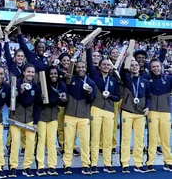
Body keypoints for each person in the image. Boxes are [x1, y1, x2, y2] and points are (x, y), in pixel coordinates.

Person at [86, 44, 120, 173]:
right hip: (96, 108)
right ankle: (93, 163)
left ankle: (107, 163)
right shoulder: (94, 76)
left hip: (110, 111)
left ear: (111, 67)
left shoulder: (113, 81)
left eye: (108, 65)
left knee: (107, 139)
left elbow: (117, 97)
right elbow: (89, 63)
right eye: (103, 64)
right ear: (99, 66)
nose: (106, 66)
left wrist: (110, 95)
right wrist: (89, 49)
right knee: (94, 138)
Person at [63, 61, 96, 175]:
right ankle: (67, 164)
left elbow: (92, 100)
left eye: (83, 67)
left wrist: (90, 93)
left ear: (86, 68)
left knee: (85, 142)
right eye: (78, 67)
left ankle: (86, 165)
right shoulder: (70, 79)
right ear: (75, 68)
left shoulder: (91, 82)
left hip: (84, 116)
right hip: (70, 115)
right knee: (68, 142)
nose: (81, 69)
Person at [8, 64, 41, 178]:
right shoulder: (16, 83)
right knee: (16, 142)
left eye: (32, 72)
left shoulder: (36, 87)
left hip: (30, 119)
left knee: (31, 143)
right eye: (28, 72)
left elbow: (37, 105)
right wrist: (20, 91)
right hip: (16, 118)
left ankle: (27, 167)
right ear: (24, 72)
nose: (30, 74)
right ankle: (13, 166)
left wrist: (36, 122)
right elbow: (10, 102)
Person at [120, 59, 151, 173]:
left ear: (139, 67)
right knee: (126, 138)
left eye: (136, 65)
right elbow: (122, 71)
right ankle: (125, 163)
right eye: (132, 65)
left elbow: (148, 96)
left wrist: (148, 107)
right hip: (127, 111)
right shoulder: (126, 78)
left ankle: (138, 164)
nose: (134, 67)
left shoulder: (144, 81)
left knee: (139, 139)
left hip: (140, 113)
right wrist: (126, 59)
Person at [36, 66, 67, 176]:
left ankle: (52, 166)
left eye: (55, 73)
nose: (54, 75)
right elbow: (37, 102)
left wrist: (64, 100)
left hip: (53, 115)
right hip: (42, 116)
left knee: (52, 142)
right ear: (47, 75)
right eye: (51, 73)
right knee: (41, 141)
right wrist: (41, 99)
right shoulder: (42, 85)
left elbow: (64, 102)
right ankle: (40, 166)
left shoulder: (62, 85)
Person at [145, 58, 172, 172]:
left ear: (161, 67)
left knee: (166, 139)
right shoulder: (147, 79)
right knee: (153, 139)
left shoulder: (170, 79)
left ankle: (168, 162)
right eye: (153, 67)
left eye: (157, 66)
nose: (156, 68)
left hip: (165, 111)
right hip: (152, 112)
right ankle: (150, 162)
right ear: (150, 69)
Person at [4, 34, 27, 155]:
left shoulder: (25, 68)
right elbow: (7, 53)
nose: (20, 58)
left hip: (23, 97)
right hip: (13, 97)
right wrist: (6, 40)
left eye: (22, 56)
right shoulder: (12, 66)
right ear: (14, 57)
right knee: (12, 122)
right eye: (18, 56)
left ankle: (24, 146)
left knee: (24, 122)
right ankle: (9, 145)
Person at [55, 53, 79, 156]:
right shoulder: (57, 72)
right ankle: (62, 146)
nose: (66, 62)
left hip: (72, 102)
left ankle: (72, 146)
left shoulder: (75, 73)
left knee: (72, 125)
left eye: (68, 61)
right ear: (60, 61)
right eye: (64, 60)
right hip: (60, 102)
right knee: (60, 126)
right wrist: (62, 73)